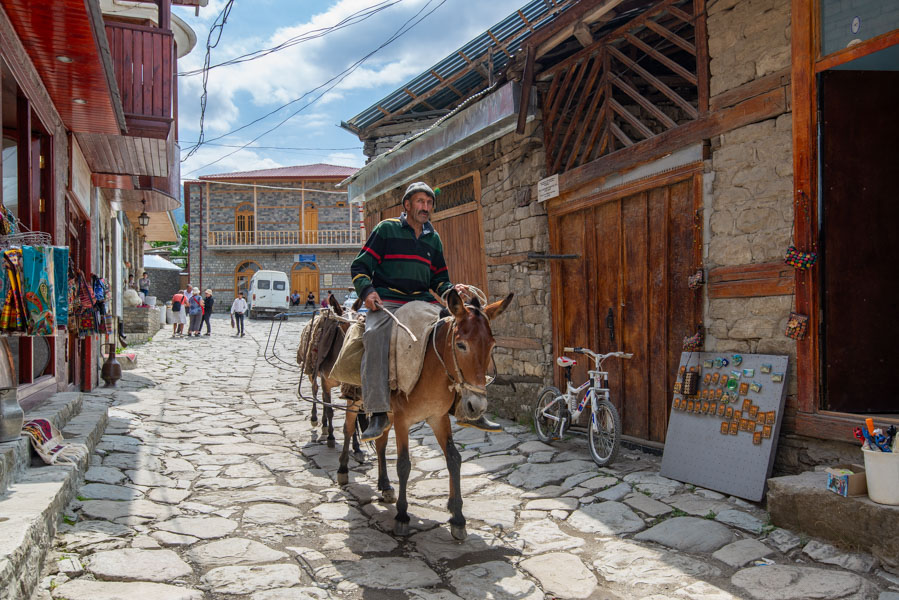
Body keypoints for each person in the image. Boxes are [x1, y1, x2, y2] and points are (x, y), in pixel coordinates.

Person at [350, 181, 500, 442]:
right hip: (388, 302)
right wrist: (367, 291)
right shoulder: (386, 230)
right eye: (420, 202)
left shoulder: (433, 238)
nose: (425, 207)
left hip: (422, 303)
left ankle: (466, 407)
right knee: (374, 335)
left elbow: (439, 280)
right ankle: (377, 411)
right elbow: (360, 266)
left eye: (429, 203)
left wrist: (452, 291)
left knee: (458, 334)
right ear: (407, 205)